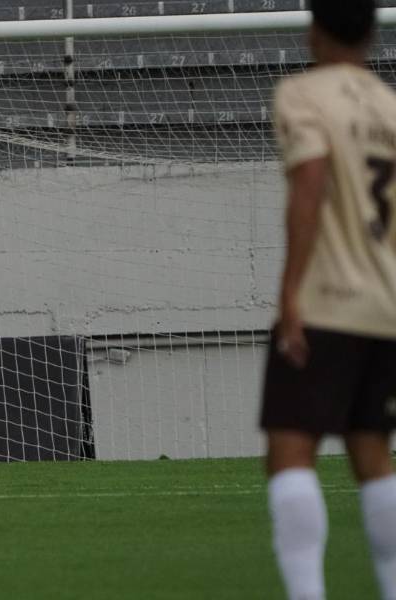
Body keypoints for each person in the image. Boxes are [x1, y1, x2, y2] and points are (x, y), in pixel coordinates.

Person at [263, 0, 396, 597]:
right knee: (373, 453)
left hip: (327, 302)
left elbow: (310, 187)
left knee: (292, 452)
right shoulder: (391, 106)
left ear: (315, 29)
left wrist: (290, 295)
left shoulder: (302, 94)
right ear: (371, 32)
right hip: (385, 306)